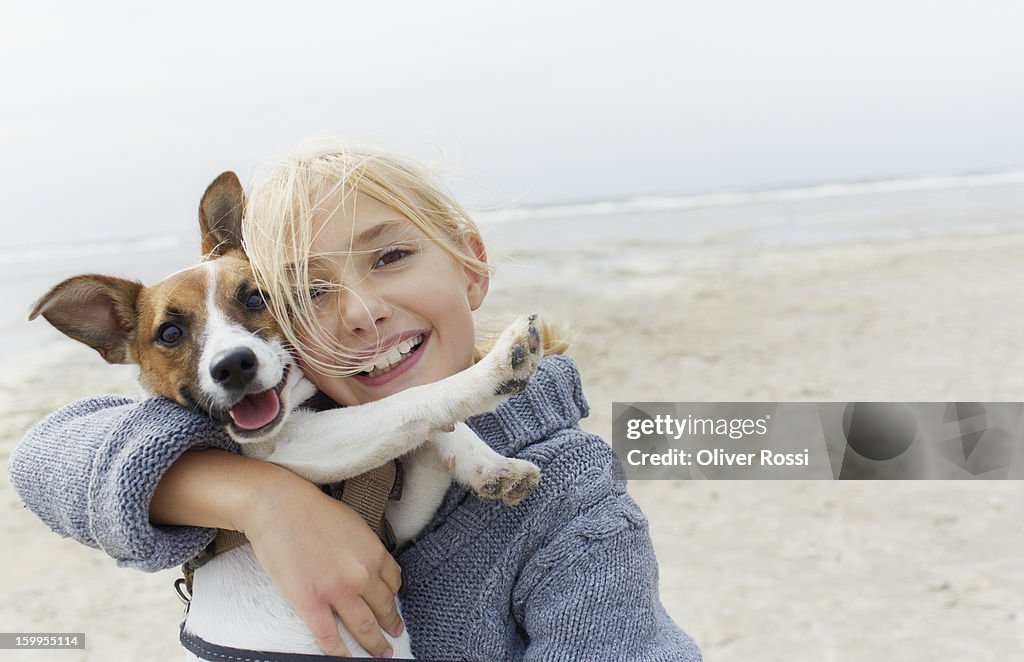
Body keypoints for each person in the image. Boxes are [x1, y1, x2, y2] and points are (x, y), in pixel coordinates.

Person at [9, 141, 702, 661]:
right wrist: (258, 501)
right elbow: (42, 458)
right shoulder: (215, 429)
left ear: (472, 267)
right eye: (307, 291)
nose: (363, 313)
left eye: (391, 256)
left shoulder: (575, 499)